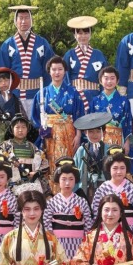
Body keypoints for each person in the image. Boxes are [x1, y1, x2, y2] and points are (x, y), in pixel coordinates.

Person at [44, 158, 94, 265]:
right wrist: (51, 247)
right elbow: (47, 227)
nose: (67, 183)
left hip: (77, 245)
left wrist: (86, 248)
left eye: (71, 179)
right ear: (58, 181)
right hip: (59, 245)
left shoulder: (81, 202)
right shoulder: (51, 203)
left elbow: (88, 226)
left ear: (75, 181)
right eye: (64, 179)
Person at [32, 55, 85, 192]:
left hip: (68, 133)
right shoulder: (42, 93)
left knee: (68, 162)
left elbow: (79, 115)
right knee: (50, 162)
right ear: (49, 71)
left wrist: (78, 135)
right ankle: (51, 193)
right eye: (54, 69)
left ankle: (69, 192)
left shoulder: (73, 92)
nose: (57, 72)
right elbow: (35, 117)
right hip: (50, 134)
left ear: (65, 71)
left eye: (60, 69)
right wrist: (41, 129)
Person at [0, 5, 56, 119]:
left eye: (27, 18)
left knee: (37, 125)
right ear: (15, 21)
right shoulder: (7, 45)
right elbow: (2, 72)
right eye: (21, 18)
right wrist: (5, 95)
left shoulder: (42, 43)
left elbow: (49, 70)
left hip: (38, 94)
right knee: (17, 125)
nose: (24, 21)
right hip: (15, 94)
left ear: (31, 20)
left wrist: (48, 92)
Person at [91, 150, 133, 244]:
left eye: (122, 168)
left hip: (129, 230)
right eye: (115, 168)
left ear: (126, 169)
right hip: (106, 231)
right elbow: (96, 213)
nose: (119, 172)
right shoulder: (102, 189)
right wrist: (97, 234)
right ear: (109, 169)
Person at [64, 15, 109, 108]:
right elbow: (64, 77)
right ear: (75, 35)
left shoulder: (98, 54)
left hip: (94, 96)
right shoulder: (69, 54)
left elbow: (105, 76)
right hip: (75, 96)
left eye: (86, 33)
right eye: (80, 33)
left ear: (90, 34)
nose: (83, 36)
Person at [0, 115, 47, 194]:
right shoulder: (5, 146)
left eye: (23, 127)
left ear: (27, 129)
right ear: (12, 129)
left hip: (30, 183)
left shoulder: (32, 147)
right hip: (11, 183)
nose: (20, 130)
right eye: (17, 127)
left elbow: (44, 162)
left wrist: (37, 172)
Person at [87, 67, 133, 155]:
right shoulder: (95, 101)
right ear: (100, 81)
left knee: (116, 161)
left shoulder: (124, 101)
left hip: (118, 138)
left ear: (117, 81)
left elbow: (128, 122)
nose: (109, 81)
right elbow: (90, 124)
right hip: (99, 139)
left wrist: (127, 143)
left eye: (112, 78)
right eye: (106, 78)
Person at [72, 112, 114, 204]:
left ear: (103, 132)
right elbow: (74, 171)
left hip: (104, 185)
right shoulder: (81, 150)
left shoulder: (109, 150)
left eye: (98, 131)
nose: (95, 135)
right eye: (91, 131)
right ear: (85, 133)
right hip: (86, 185)